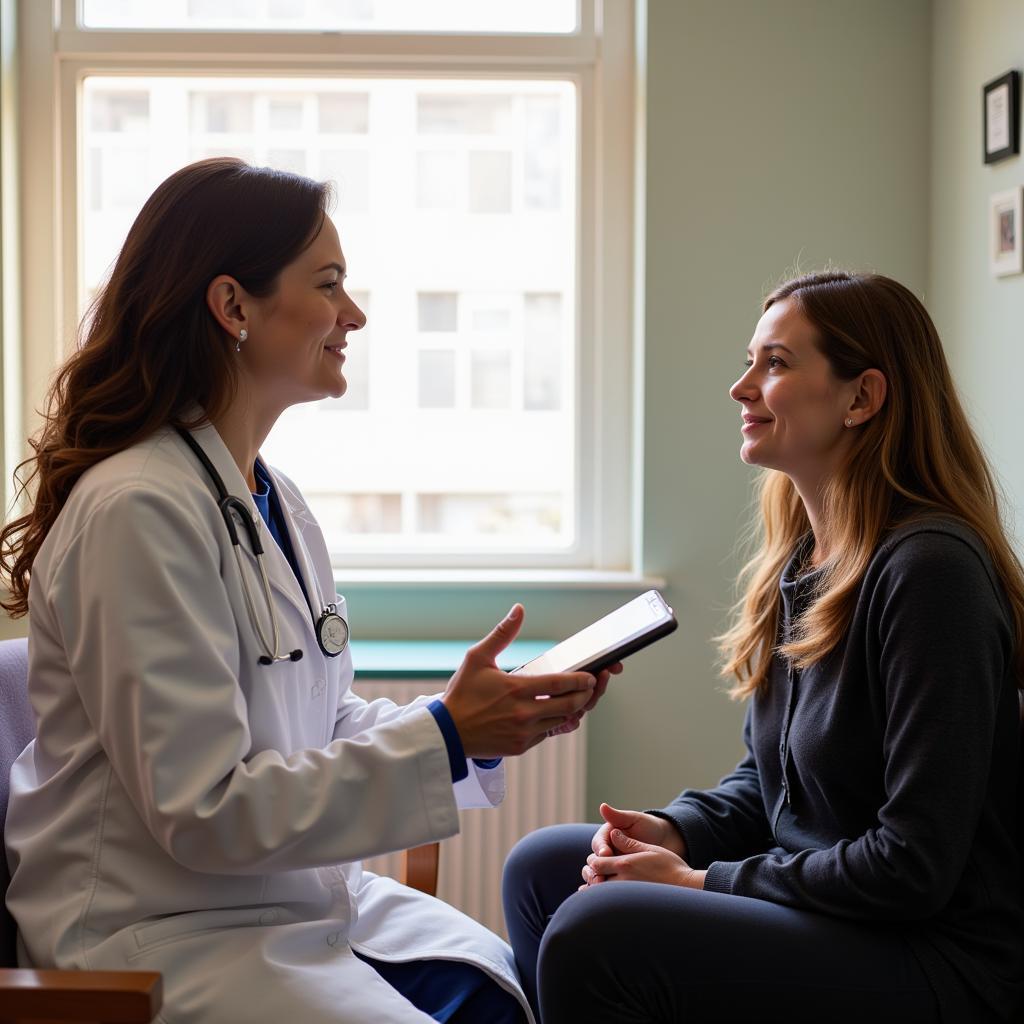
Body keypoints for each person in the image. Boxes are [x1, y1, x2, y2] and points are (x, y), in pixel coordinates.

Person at [0, 158, 621, 1024]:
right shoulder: (137, 510)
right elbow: (204, 808)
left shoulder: (269, 497)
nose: (354, 315)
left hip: (284, 905)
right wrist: (444, 736)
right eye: (329, 285)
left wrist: (484, 726)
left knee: (500, 993)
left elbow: (316, 726)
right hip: (155, 934)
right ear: (233, 307)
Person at [502, 270, 1023, 1023]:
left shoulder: (931, 572)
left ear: (861, 398)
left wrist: (697, 883)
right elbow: (774, 784)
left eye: (775, 364)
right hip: (841, 917)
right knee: (543, 868)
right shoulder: (807, 561)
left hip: (936, 956)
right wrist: (677, 831)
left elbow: (913, 867)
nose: (741, 387)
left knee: (598, 929)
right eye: (751, 361)